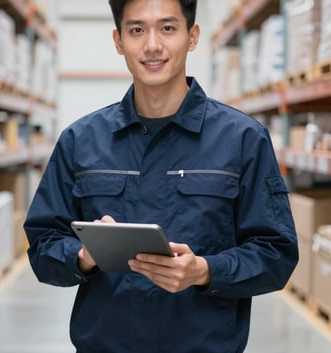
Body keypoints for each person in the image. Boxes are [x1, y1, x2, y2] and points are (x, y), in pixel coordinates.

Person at [24, 0, 298, 352]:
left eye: (168, 28)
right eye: (137, 30)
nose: (152, 45)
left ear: (192, 36)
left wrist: (204, 270)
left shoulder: (243, 139)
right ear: (118, 40)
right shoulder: (80, 141)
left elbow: (276, 253)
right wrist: (82, 255)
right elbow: (43, 243)